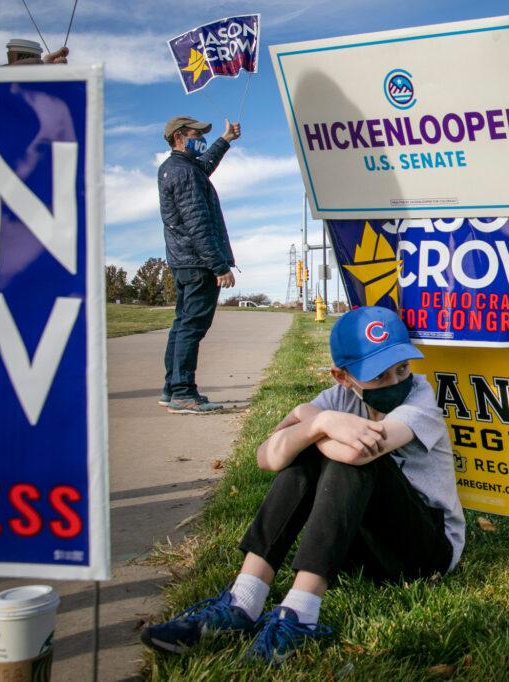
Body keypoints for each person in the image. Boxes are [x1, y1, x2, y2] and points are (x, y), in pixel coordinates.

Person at [141, 306, 466, 666]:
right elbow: (267, 457)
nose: (394, 382)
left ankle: (300, 615)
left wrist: (307, 421)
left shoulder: (420, 399)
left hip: (425, 551)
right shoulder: (336, 400)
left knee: (343, 457)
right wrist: (321, 421)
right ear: (344, 378)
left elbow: (358, 453)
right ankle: (243, 601)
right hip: (358, 547)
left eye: (401, 369)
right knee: (304, 452)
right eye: (378, 376)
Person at [157, 115, 240, 414]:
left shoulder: (177, 169)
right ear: (180, 136)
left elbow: (204, 166)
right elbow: (198, 225)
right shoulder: (184, 173)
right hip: (198, 263)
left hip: (183, 262)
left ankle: (171, 389)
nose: (201, 138)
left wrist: (225, 140)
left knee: (182, 325)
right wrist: (219, 266)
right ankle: (183, 393)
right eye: (196, 134)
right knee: (192, 328)